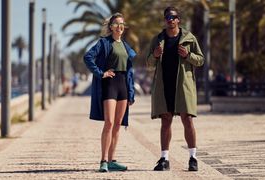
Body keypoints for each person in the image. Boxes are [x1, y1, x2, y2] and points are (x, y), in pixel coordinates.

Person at [146, 7, 204, 171]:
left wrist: (188, 55)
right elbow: (149, 63)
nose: (169, 20)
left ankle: (193, 158)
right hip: (164, 86)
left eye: (172, 17)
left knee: (187, 120)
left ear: (178, 19)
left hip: (183, 86)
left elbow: (200, 60)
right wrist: (155, 55)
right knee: (166, 121)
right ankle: (164, 159)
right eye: (167, 17)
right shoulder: (157, 39)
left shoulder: (189, 38)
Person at [83, 13, 136, 172]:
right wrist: (100, 73)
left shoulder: (126, 46)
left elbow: (130, 72)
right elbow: (88, 57)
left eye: (122, 24)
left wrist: (131, 92)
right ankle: (103, 160)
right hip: (110, 84)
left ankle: (112, 160)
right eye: (117, 24)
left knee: (118, 125)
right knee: (109, 123)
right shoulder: (104, 43)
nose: (120, 26)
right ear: (111, 27)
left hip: (123, 86)